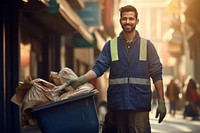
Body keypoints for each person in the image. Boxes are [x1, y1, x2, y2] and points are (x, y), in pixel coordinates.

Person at [64, 5, 166, 133]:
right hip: (117, 104)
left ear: (137, 21)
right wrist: (81, 79)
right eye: (124, 18)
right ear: (120, 21)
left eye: (131, 18)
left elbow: (157, 74)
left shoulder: (147, 46)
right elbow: (99, 68)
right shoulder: (110, 45)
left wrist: (161, 101)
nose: (128, 21)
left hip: (139, 104)